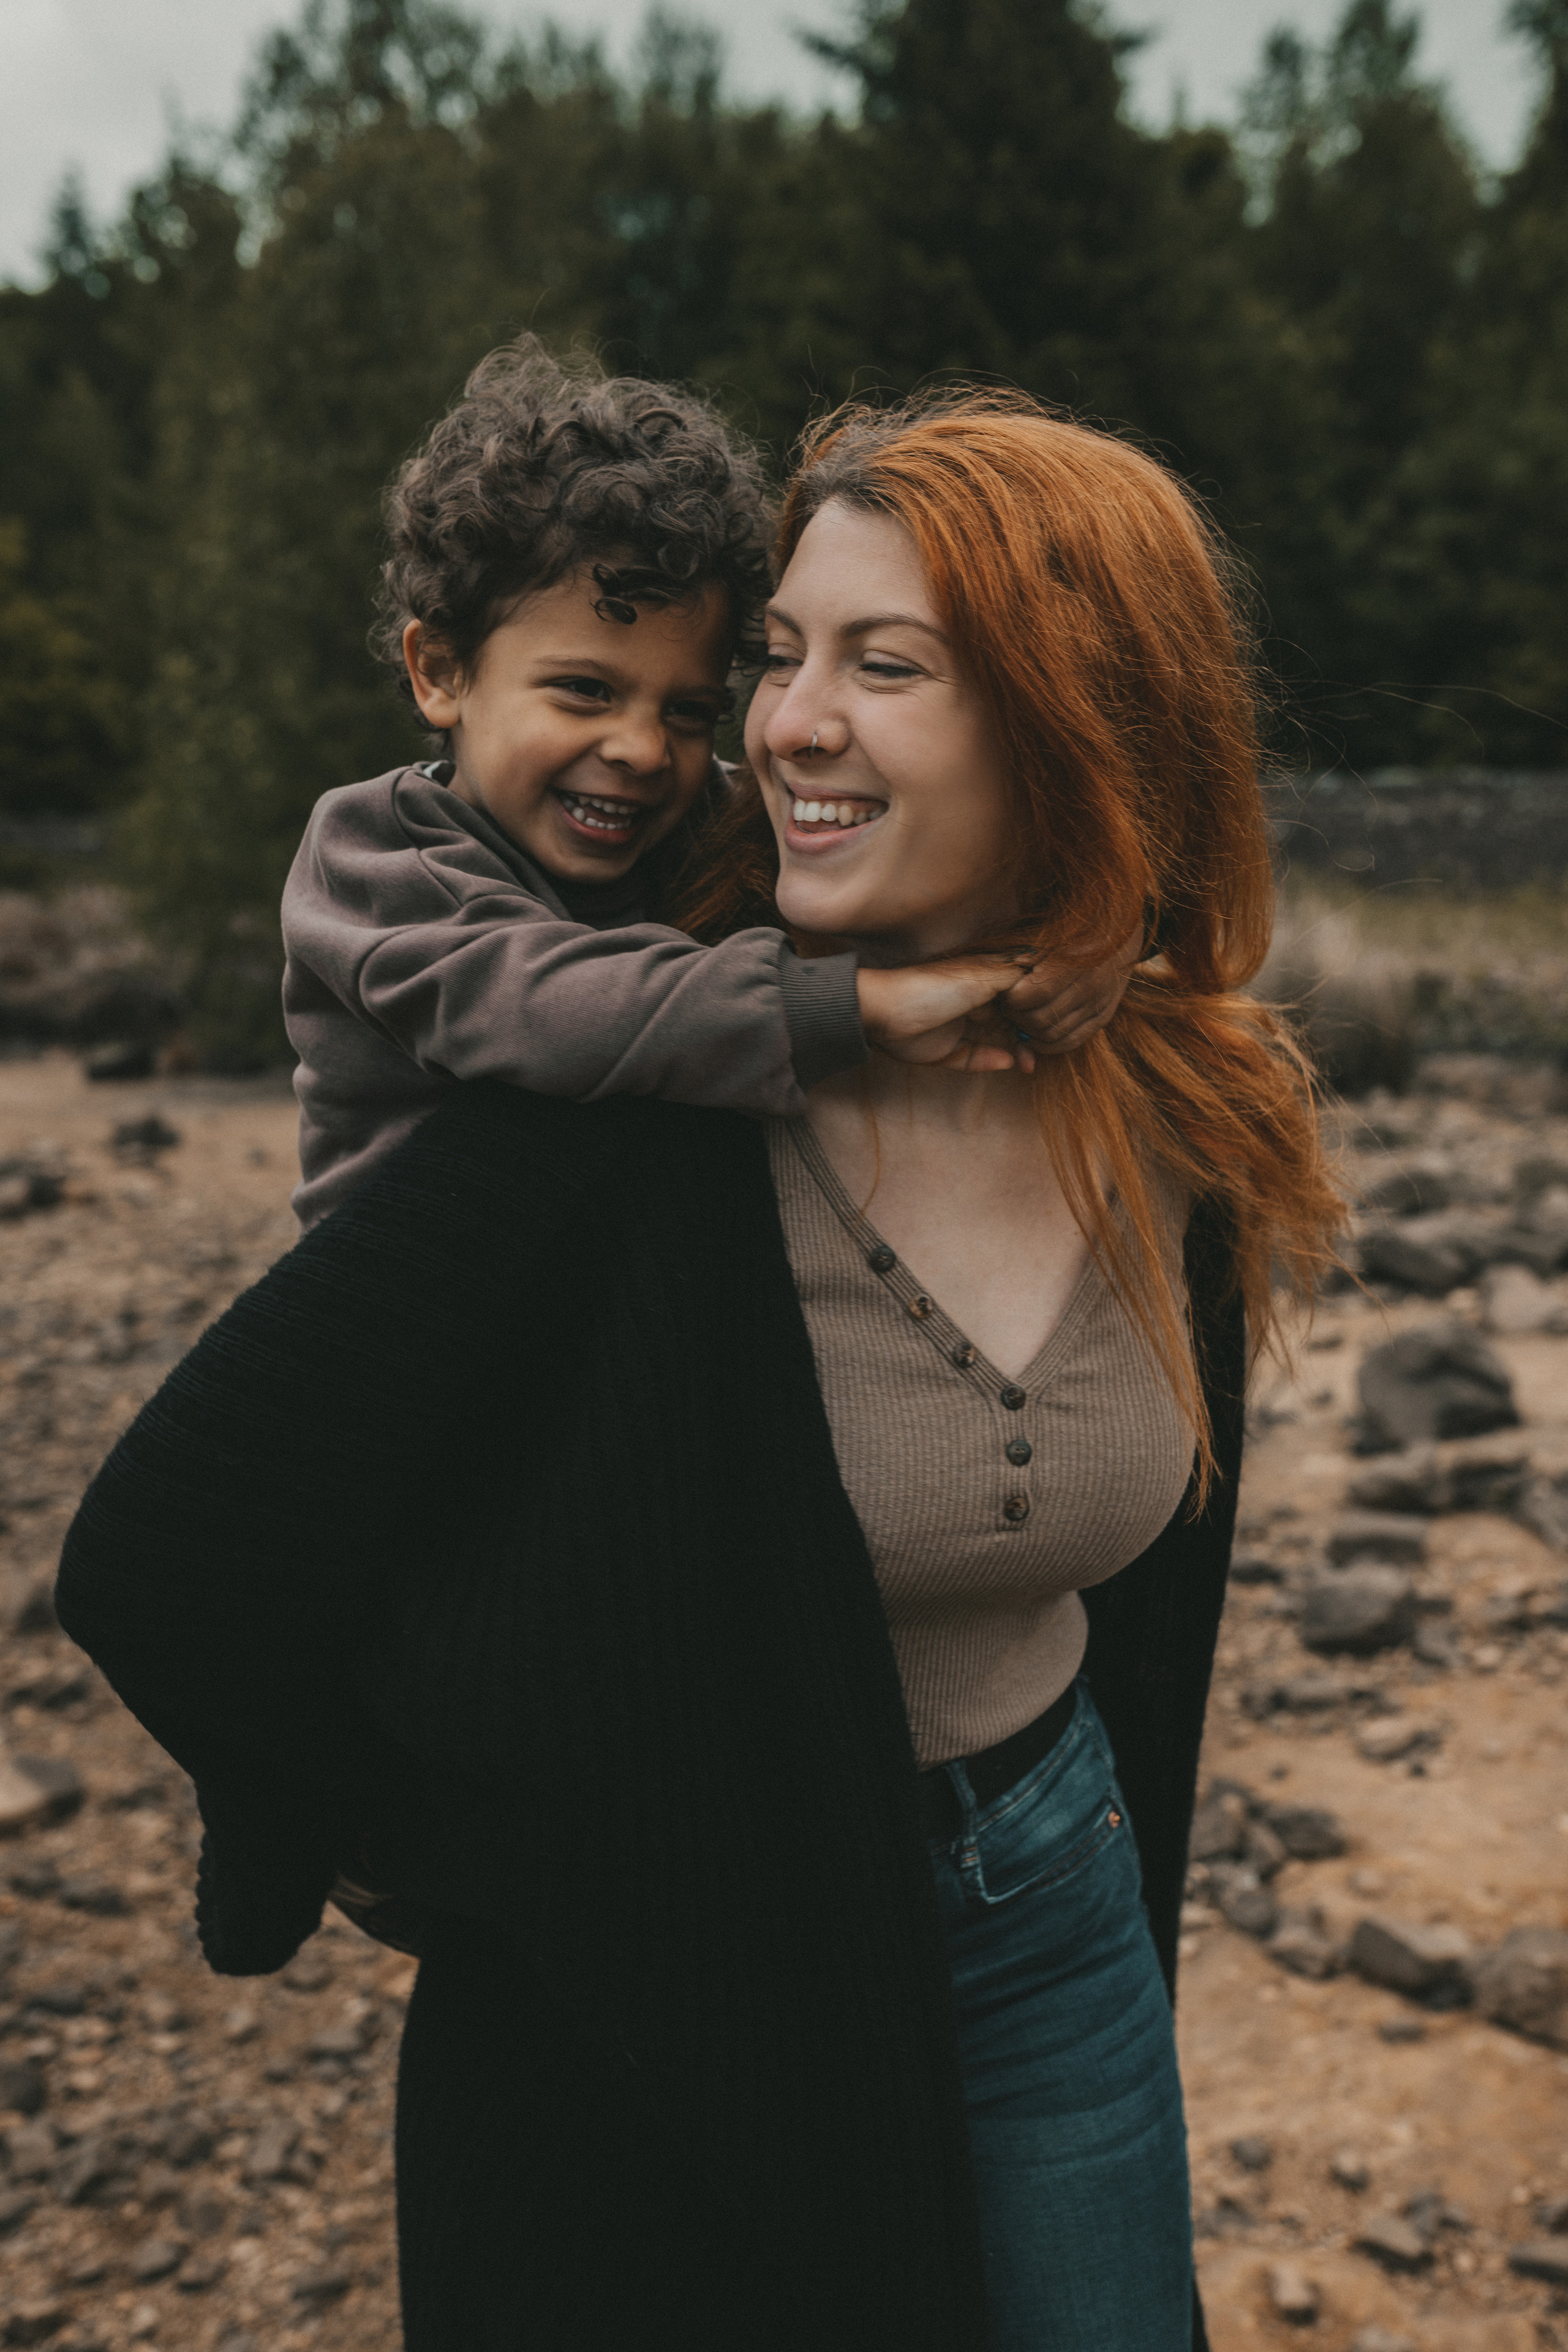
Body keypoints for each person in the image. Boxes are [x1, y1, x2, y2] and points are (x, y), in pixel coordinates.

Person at [56, 388, 1341, 2352]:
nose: (772, 726)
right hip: (678, 1954)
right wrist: (444, 1848)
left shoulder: (1173, 1109)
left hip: (1054, 1916)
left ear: (1080, 712)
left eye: (877, 664)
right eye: (787, 657)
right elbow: (175, 1557)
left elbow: (1153, 1601)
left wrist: (1124, 1887)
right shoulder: (620, 1093)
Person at [284, 337, 1135, 1230]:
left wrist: (1107, 932)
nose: (644, 752)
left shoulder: (696, 820)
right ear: (443, 671)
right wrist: (852, 1009)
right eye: (586, 691)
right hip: (417, 1319)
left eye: (689, 712)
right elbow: (542, 1009)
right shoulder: (375, 858)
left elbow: (931, 856)